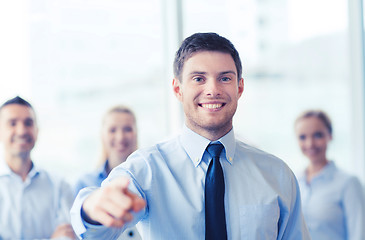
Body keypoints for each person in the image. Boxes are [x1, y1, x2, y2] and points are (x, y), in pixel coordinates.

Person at [71, 32, 310, 239]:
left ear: (239, 88)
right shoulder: (147, 169)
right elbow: (96, 234)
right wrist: (91, 209)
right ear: (178, 89)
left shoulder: (277, 175)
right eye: (198, 79)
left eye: (225, 78)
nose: (213, 90)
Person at [0, 96, 76, 239]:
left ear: (37, 130)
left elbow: (67, 236)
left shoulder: (60, 186)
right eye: (12, 123)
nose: (21, 131)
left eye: (28, 123)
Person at [294, 109, 365, 240]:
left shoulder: (349, 183)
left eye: (318, 135)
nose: (310, 144)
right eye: (303, 137)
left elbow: (358, 234)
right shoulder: (294, 182)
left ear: (330, 135)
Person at [74, 105, 141, 240]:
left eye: (127, 129)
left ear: (136, 133)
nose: (120, 137)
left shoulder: (148, 178)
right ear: (102, 135)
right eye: (112, 130)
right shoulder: (85, 183)